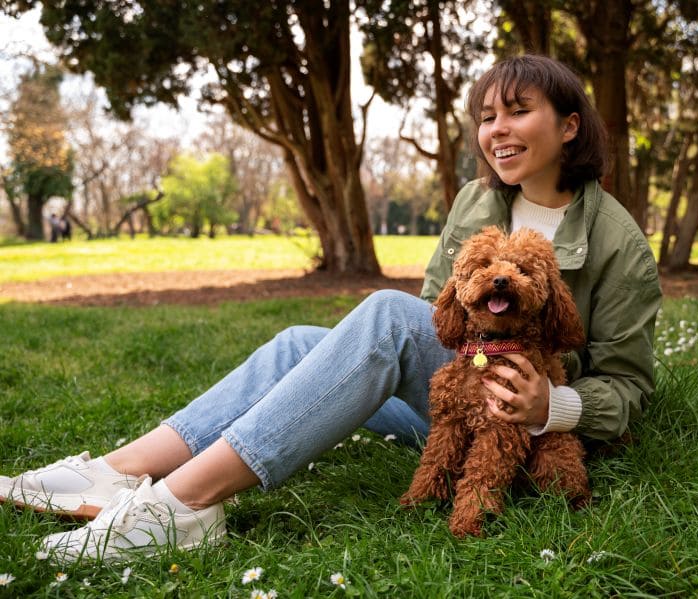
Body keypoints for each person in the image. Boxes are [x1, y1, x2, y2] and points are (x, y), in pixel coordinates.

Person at [0, 55, 662, 563]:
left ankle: (184, 505)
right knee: (295, 341)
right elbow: (437, 319)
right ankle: (115, 472)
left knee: (382, 316)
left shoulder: (615, 239)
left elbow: (628, 386)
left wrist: (553, 405)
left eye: (518, 111)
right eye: (487, 116)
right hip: (454, 397)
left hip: (531, 424)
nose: (498, 130)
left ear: (570, 125)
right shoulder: (475, 203)